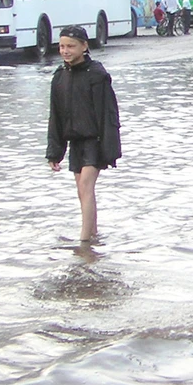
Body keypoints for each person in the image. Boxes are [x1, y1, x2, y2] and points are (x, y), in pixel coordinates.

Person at [46, 26, 122, 242]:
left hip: (95, 140)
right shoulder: (59, 77)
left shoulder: (97, 75)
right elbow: (56, 117)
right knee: (82, 191)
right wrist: (54, 152)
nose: (65, 51)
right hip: (75, 142)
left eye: (71, 46)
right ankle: (93, 234)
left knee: (85, 186)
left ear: (84, 46)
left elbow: (109, 114)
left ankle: (84, 241)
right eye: (61, 46)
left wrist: (110, 149)